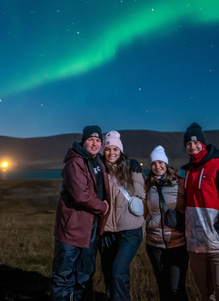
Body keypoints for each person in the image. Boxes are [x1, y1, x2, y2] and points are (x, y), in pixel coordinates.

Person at [181, 123, 219, 301]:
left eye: (196, 143)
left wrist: (218, 230)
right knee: (207, 296)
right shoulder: (188, 172)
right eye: (188, 144)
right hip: (196, 247)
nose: (193, 147)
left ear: (203, 143)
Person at [51, 125, 110, 301]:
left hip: (90, 231)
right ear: (83, 141)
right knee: (63, 277)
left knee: (84, 277)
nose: (94, 143)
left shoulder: (98, 161)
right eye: (90, 140)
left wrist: (130, 163)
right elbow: (81, 196)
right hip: (72, 231)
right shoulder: (75, 162)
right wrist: (104, 207)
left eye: (98, 140)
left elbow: (115, 162)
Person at [99, 130, 145, 301]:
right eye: (108, 149)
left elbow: (142, 195)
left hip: (130, 231)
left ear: (121, 151)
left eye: (115, 149)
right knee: (109, 273)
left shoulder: (132, 168)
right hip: (108, 231)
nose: (111, 153)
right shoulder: (100, 169)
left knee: (118, 270)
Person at [144, 145, 189, 301]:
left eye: (160, 162)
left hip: (177, 244)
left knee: (176, 289)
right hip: (154, 244)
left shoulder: (180, 184)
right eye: (154, 164)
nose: (157, 166)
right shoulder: (147, 184)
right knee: (163, 288)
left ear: (166, 163)